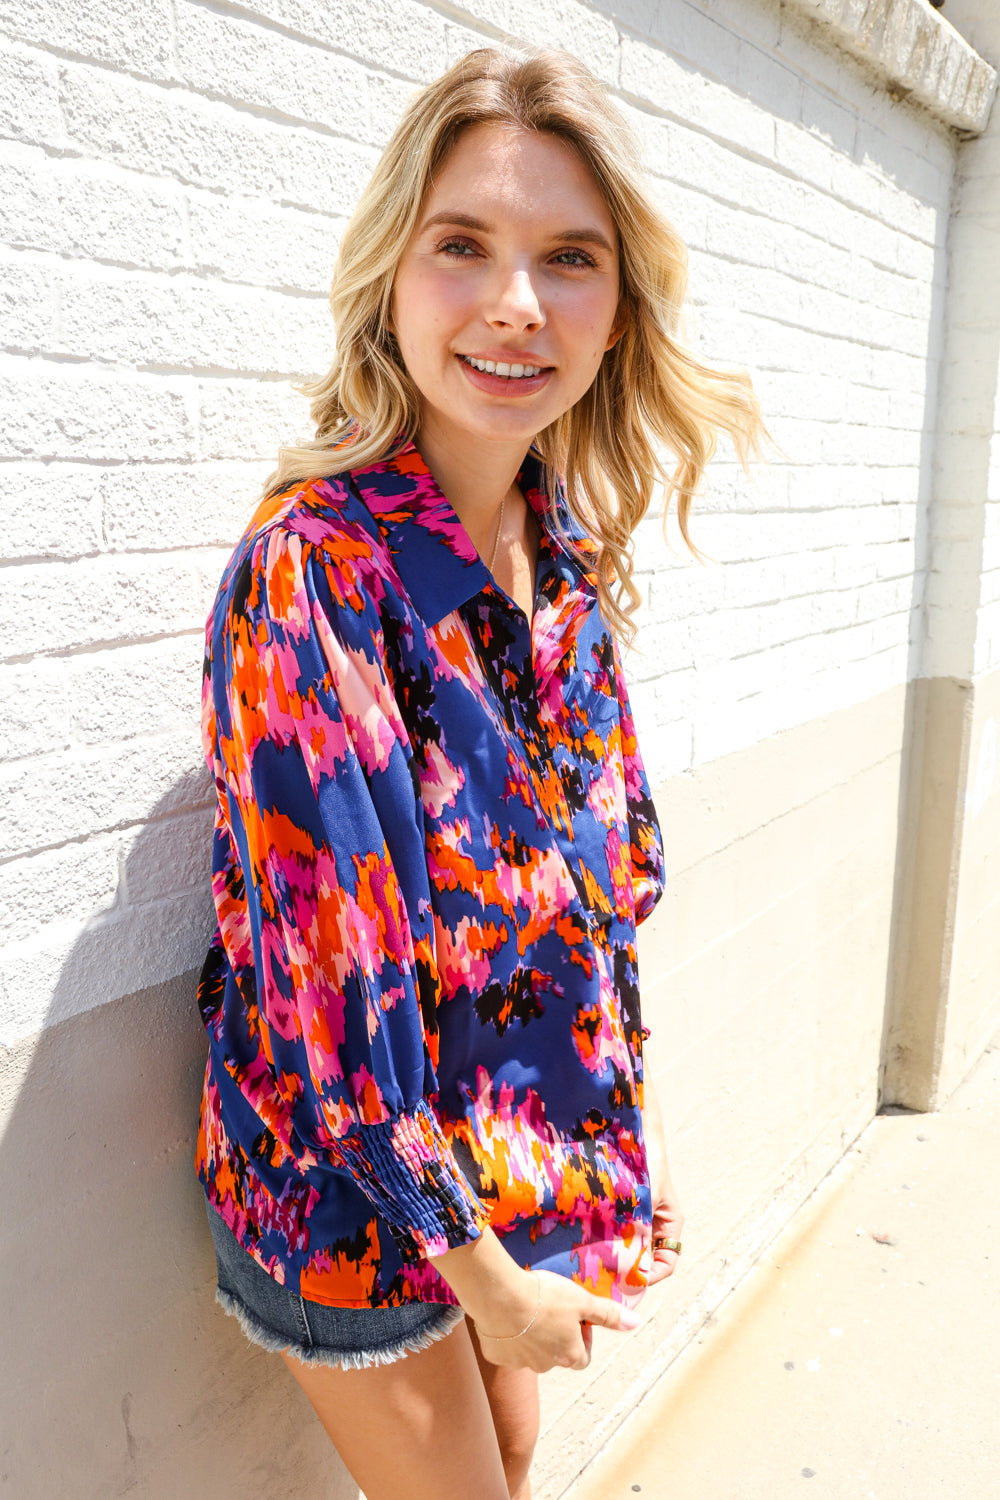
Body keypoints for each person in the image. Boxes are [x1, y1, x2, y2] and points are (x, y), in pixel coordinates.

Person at [195, 45, 762, 1500]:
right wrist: (490, 1279)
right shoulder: (317, 576)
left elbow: (596, 898)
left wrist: (622, 1137)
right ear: (392, 276)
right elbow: (335, 1001)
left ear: (619, 313)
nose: (517, 303)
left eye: (569, 258)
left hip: (522, 1166)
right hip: (362, 1208)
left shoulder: (560, 559)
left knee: (508, 1455)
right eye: (464, 245)